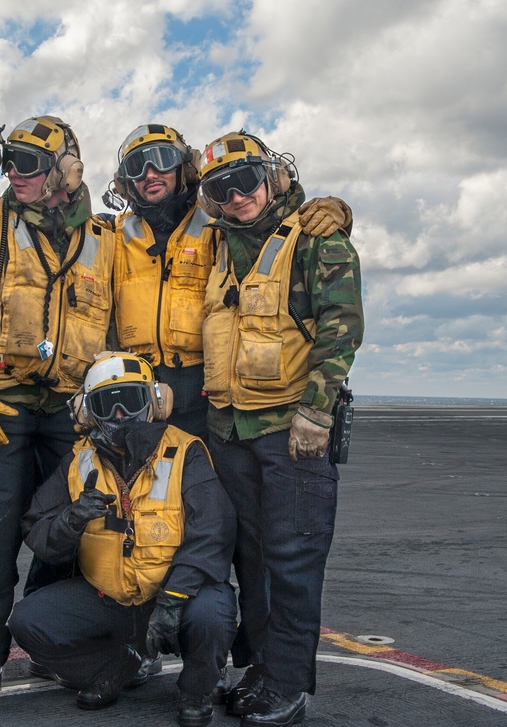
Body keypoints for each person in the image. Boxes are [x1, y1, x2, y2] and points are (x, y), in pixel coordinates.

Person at [0, 115, 115, 706]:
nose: (15, 173)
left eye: (30, 164)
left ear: (66, 171)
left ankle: (49, 646)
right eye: (10, 161)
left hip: (71, 412)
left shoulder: (104, 238)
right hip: (0, 401)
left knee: (66, 535)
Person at [196, 131, 364, 726]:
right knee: (253, 559)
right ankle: (262, 669)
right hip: (231, 431)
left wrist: (317, 412)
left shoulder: (317, 239)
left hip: (291, 431)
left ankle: (288, 685)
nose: (237, 196)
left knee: (292, 562)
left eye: (246, 180)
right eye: (221, 188)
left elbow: (341, 329)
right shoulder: (219, 245)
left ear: (273, 177)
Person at [9, 351, 237, 727]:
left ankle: (197, 690)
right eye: (106, 403)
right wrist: (70, 520)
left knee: (212, 612)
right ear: (88, 411)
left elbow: (213, 532)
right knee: (28, 621)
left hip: (171, 598)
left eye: (130, 399)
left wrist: (172, 600)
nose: (119, 414)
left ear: (155, 401)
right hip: (109, 600)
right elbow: (38, 531)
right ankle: (115, 668)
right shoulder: (78, 461)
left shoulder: (185, 452)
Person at [109, 123, 352, 437]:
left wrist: (333, 210)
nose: (150, 174)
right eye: (136, 167)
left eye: (162, 160)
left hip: (204, 397)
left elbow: (270, 228)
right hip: (136, 391)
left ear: (185, 168)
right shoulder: (110, 235)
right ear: (125, 181)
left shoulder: (221, 223)